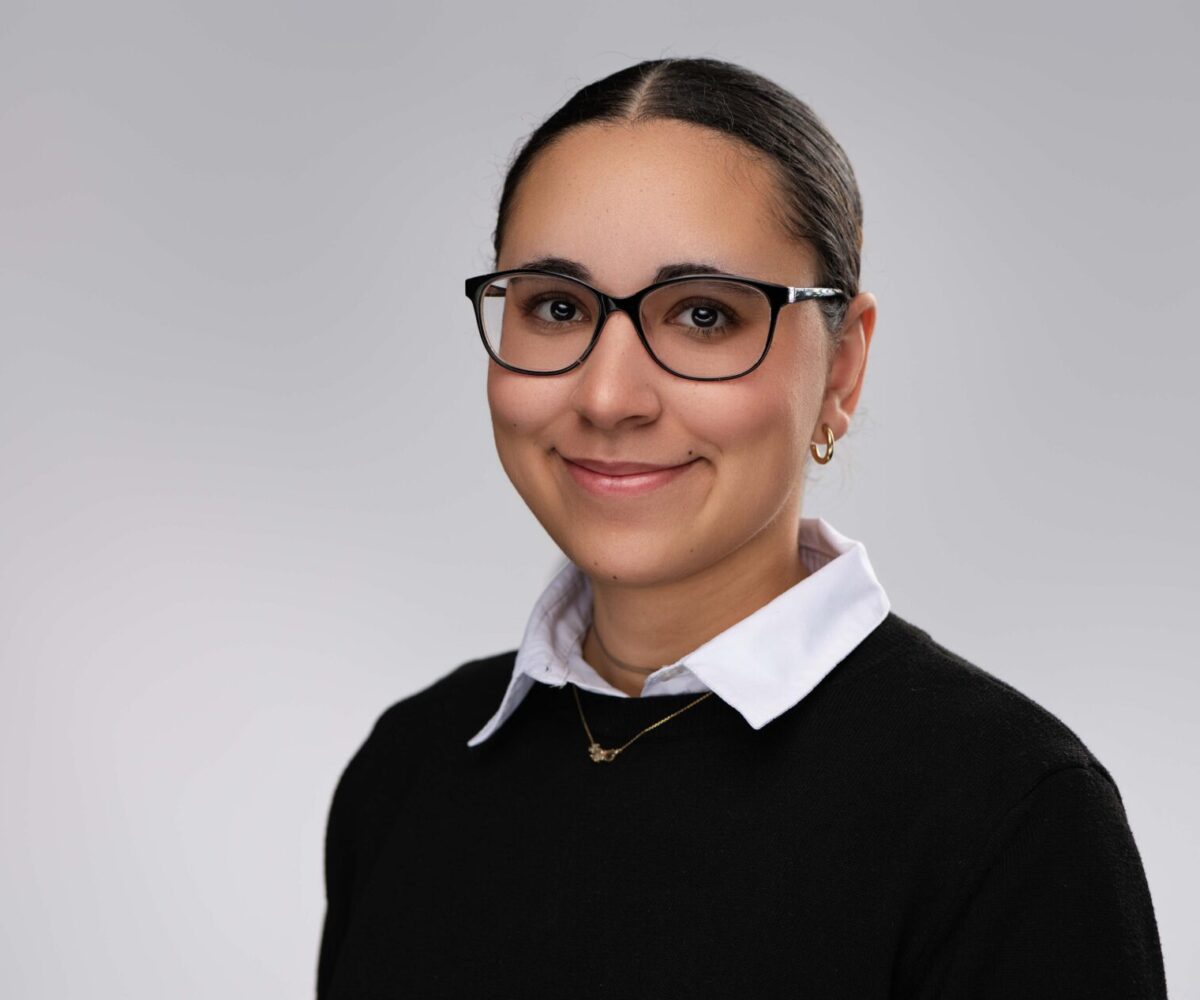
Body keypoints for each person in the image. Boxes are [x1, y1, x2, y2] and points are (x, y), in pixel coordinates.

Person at [316, 58, 1168, 998]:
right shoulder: (410, 767)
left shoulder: (1007, 813)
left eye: (704, 316)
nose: (608, 396)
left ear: (841, 370)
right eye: (556, 308)